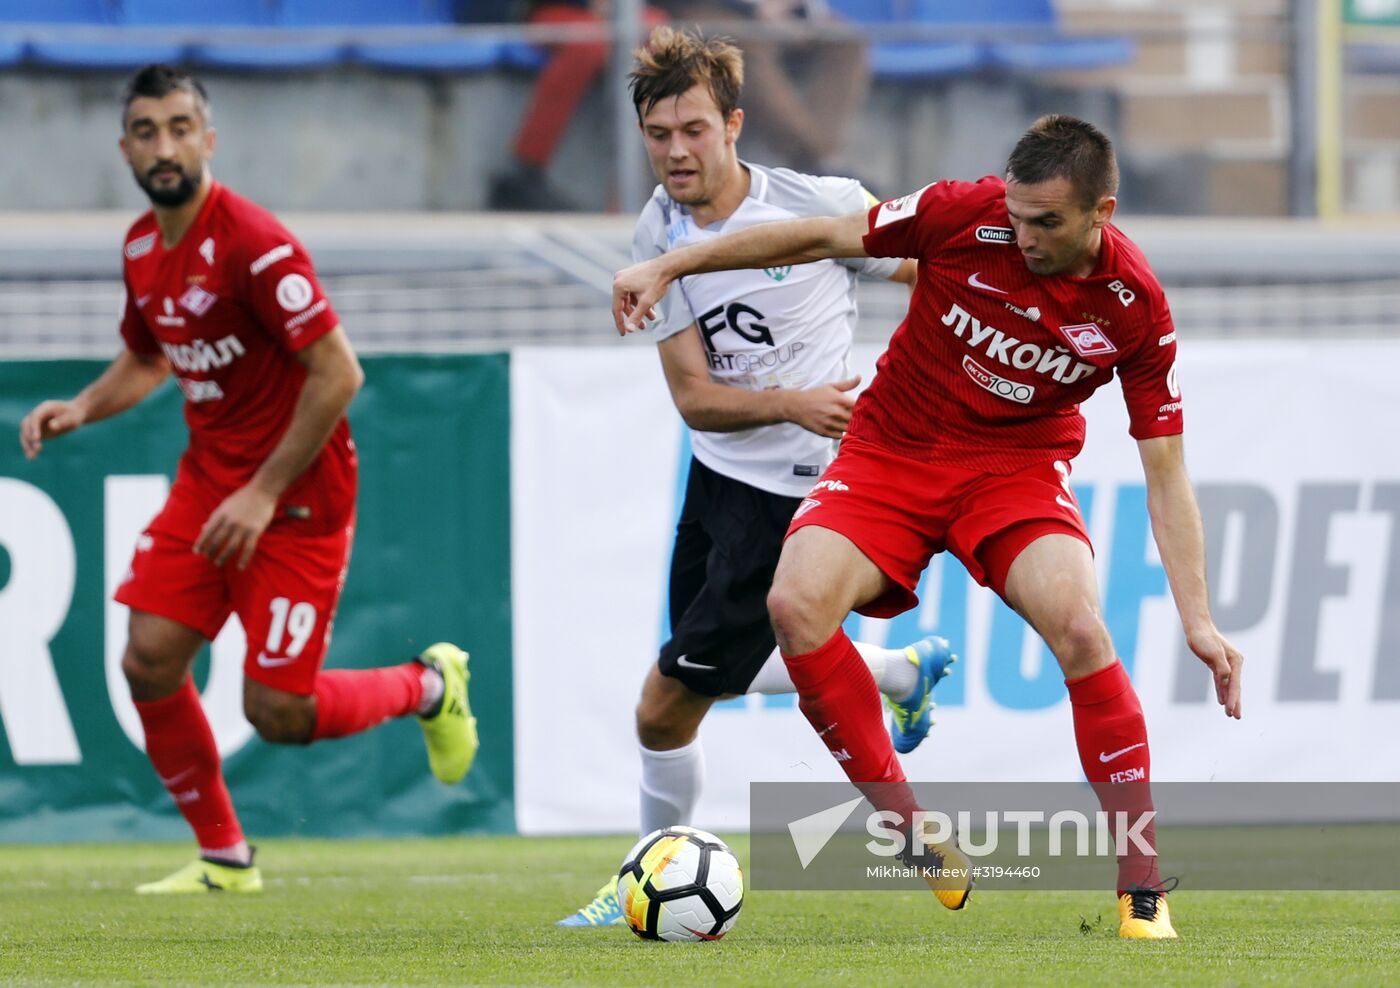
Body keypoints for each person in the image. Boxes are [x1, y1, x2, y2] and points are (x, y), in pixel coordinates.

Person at [613, 114, 1245, 939]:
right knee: (794, 607)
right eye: (1015, 217)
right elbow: (818, 237)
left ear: (1103, 212)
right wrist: (672, 260)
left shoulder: (1134, 307)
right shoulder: (961, 213)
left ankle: (1142, 891)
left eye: (1046, 223)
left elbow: (1167, 472)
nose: (1021, 237)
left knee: (1083, 631)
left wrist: (1198, 618)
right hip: (891, 453)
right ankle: (909, 829)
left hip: (1011, 474)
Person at [17, 64, 480, 894]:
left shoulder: (254, 243)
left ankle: (427, 685)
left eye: (180, 128)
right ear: (124, 146)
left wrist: (264, 490)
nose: (166, 147)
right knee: (148, 659)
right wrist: (81, 408)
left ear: (209, 139)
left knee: (277, 714)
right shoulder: (139, 246)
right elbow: (151, 354)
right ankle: (225, 856)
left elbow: (339, 374)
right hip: (211, 484)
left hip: (297, 497)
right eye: (148, 131)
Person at [558, 26, 954, 927]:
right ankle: (898, 674)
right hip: (717, 477)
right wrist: (787, 399)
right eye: (659, 135)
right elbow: (696, 399)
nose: (676, 151)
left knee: (665, 709)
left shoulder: (820, 206)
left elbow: (934, 280)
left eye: (693, 129)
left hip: (800, 491)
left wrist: (908, 396)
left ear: (734, 125)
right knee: (714, 668)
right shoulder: (656, 227)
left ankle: (635, 882)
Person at [489, 0, 670, 210]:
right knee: (588, 44)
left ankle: (637, 189)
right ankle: (525, 169)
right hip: (555, 10)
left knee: (657, 34)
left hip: (615, 16)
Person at [667, 0, 870, 176]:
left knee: (842, 39)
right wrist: (754, 8)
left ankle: (821, 162)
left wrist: (799, 9)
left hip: (771, 16)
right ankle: (819, 164)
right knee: (740, 47)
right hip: (700, 11)